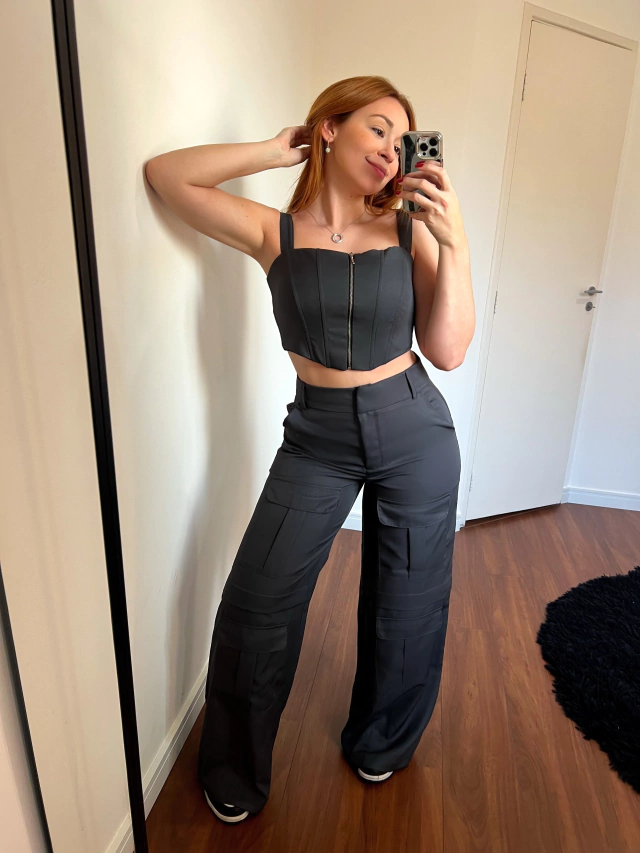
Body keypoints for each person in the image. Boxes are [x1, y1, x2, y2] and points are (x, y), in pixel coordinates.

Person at [144, 74, 474, 824]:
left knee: (410, 600)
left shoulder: (410, 231)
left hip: (414, 425)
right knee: (258, 602)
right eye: (378, 128)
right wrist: (272, 149)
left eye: (403, 139)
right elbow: (167, 175)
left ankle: (382, 741)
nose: (391, 149)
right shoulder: (275, 233)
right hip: (317, 438)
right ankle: (235, 767)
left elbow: (448, 350)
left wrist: (453, 241)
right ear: (330, 127)